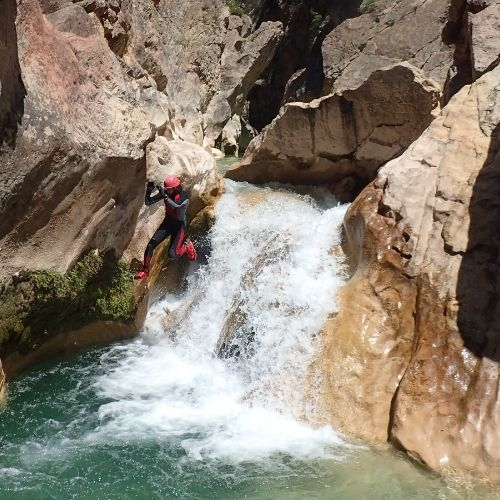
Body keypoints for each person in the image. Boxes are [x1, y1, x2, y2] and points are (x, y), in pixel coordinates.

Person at [135, 175, 197, 279]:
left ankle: (187, 247)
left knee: (172, 254)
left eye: (170, 190)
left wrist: (165, 195)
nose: (168, 191)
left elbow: (177, 206)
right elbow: (148, 202)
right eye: (167, 190)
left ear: (176, 188)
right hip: (168, 223)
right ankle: (145, 270)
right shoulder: (167, 193)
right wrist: (149, 191)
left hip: (179, 226)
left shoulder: (183, 195)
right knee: (150, 245)